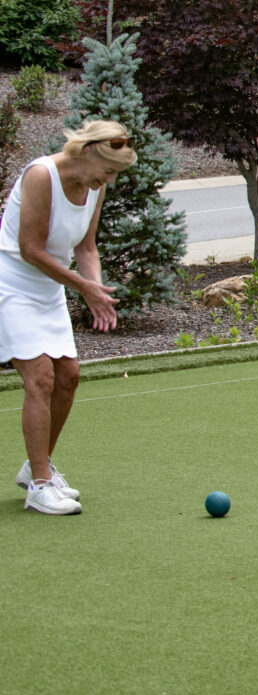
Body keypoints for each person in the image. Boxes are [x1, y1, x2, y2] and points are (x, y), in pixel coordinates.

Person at [2, 120, 135, 515]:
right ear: (89, 152)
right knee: (40, 378)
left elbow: (87, 247)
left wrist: (97, 292)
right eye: (108, 171)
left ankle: (35, 467)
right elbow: (29, 248)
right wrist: (83, 288)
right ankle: (40, 487)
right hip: (11, 283)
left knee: (69, 376)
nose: (108, 180)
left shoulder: (96, 186)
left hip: (50, 286)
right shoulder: (41, 175)